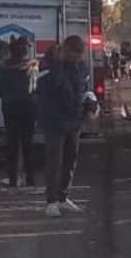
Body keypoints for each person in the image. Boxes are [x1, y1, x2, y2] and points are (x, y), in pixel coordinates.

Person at [38, 35, 98, 218]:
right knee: (54, 163)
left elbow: (86, 90)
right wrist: (58, 65)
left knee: (70, 161)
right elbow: (45, 87)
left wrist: (90, 106)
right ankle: (51, 201)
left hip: (74, 121)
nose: (76, 59)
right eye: (73, 55)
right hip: (54, 121)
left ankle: (63, 197)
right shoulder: (48, 64)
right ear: (65, 50)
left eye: (79, 56)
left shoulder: (81, 67)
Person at [0, 37, 39, 193]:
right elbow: (36, 89)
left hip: (10, 109)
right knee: (28, 145)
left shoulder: (3, 69)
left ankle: (13, 181)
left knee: (12, 146)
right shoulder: (32, 67)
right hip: (29, 110)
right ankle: (30, 181)